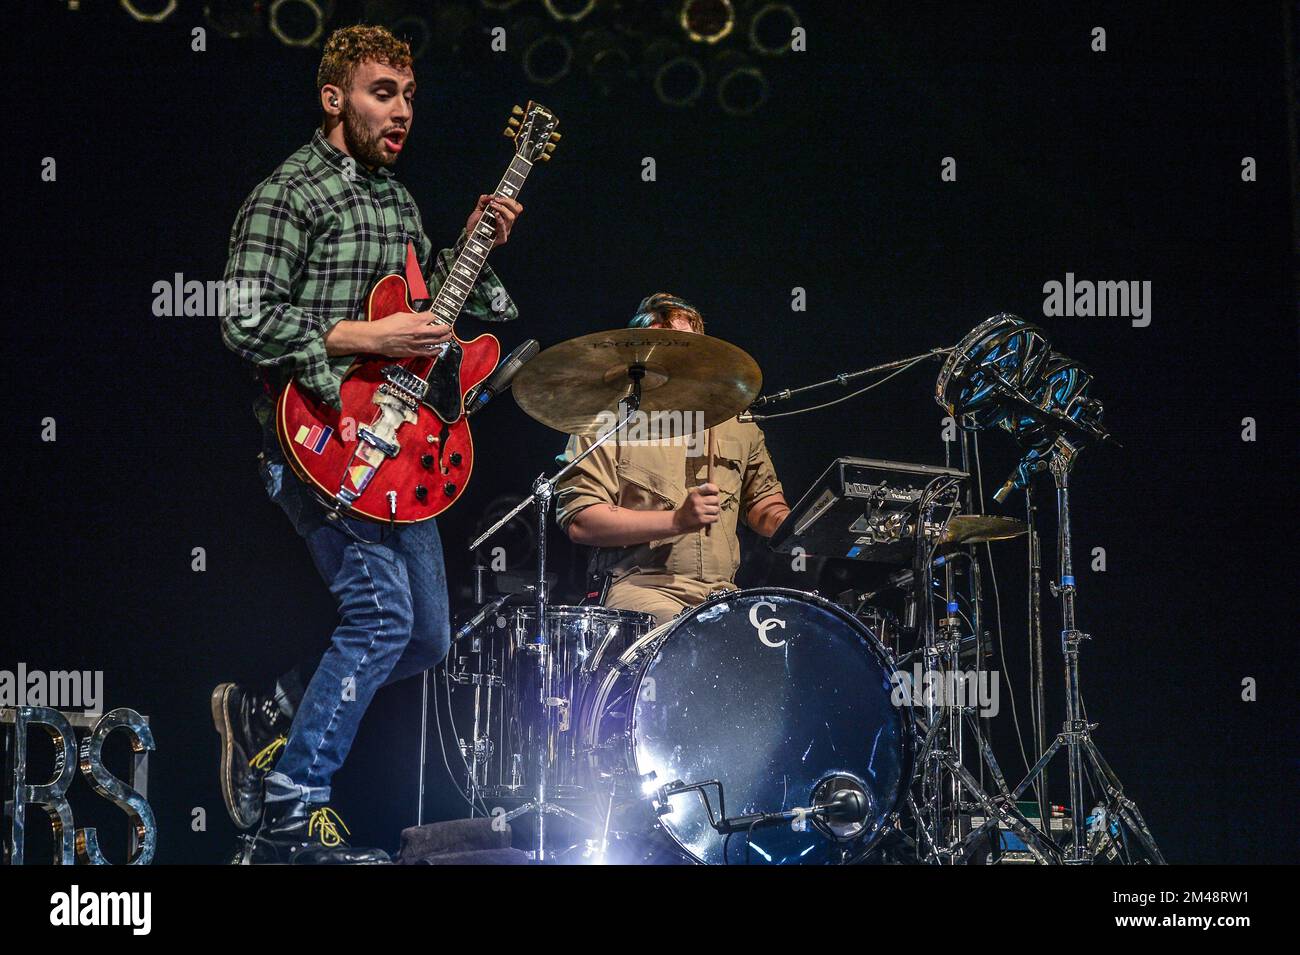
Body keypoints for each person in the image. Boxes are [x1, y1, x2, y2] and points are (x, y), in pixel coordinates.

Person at [214, 25, 524, 863]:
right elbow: (244, 316)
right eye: (382, 92)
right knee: (381, 615)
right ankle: (291, 805)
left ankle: (269, 710)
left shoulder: (397, 202)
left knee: (425, 634)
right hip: (315, 441)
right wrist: (369, 338)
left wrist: (475, 246)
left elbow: (433, 311)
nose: (401, 112)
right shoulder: (288, 194)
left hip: (398, 454)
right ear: (334, 99)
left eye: (410, 96)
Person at [555, 294, 790, 626]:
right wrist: (677, 521)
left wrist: (808, 529)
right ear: (642, 355)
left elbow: (765, 505)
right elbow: (582, 520)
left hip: (723, 596)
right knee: (698, 644)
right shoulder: (610, 419)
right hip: (640, 588)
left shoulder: (736, 421)